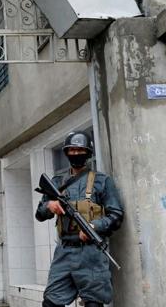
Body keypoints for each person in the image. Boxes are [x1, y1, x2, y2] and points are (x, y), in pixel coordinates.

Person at [35, 131, 124, 307]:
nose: (76, 154)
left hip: (91, 254)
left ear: (88, 153)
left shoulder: (102, 181)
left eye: (80, 150)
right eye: (72, 150)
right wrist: (49, 206)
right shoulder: (57, 182)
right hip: (64, 251)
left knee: (93, 304)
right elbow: (39, 214)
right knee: (50, 302)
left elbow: (116, 216)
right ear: (67, 153)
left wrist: (93, 227)